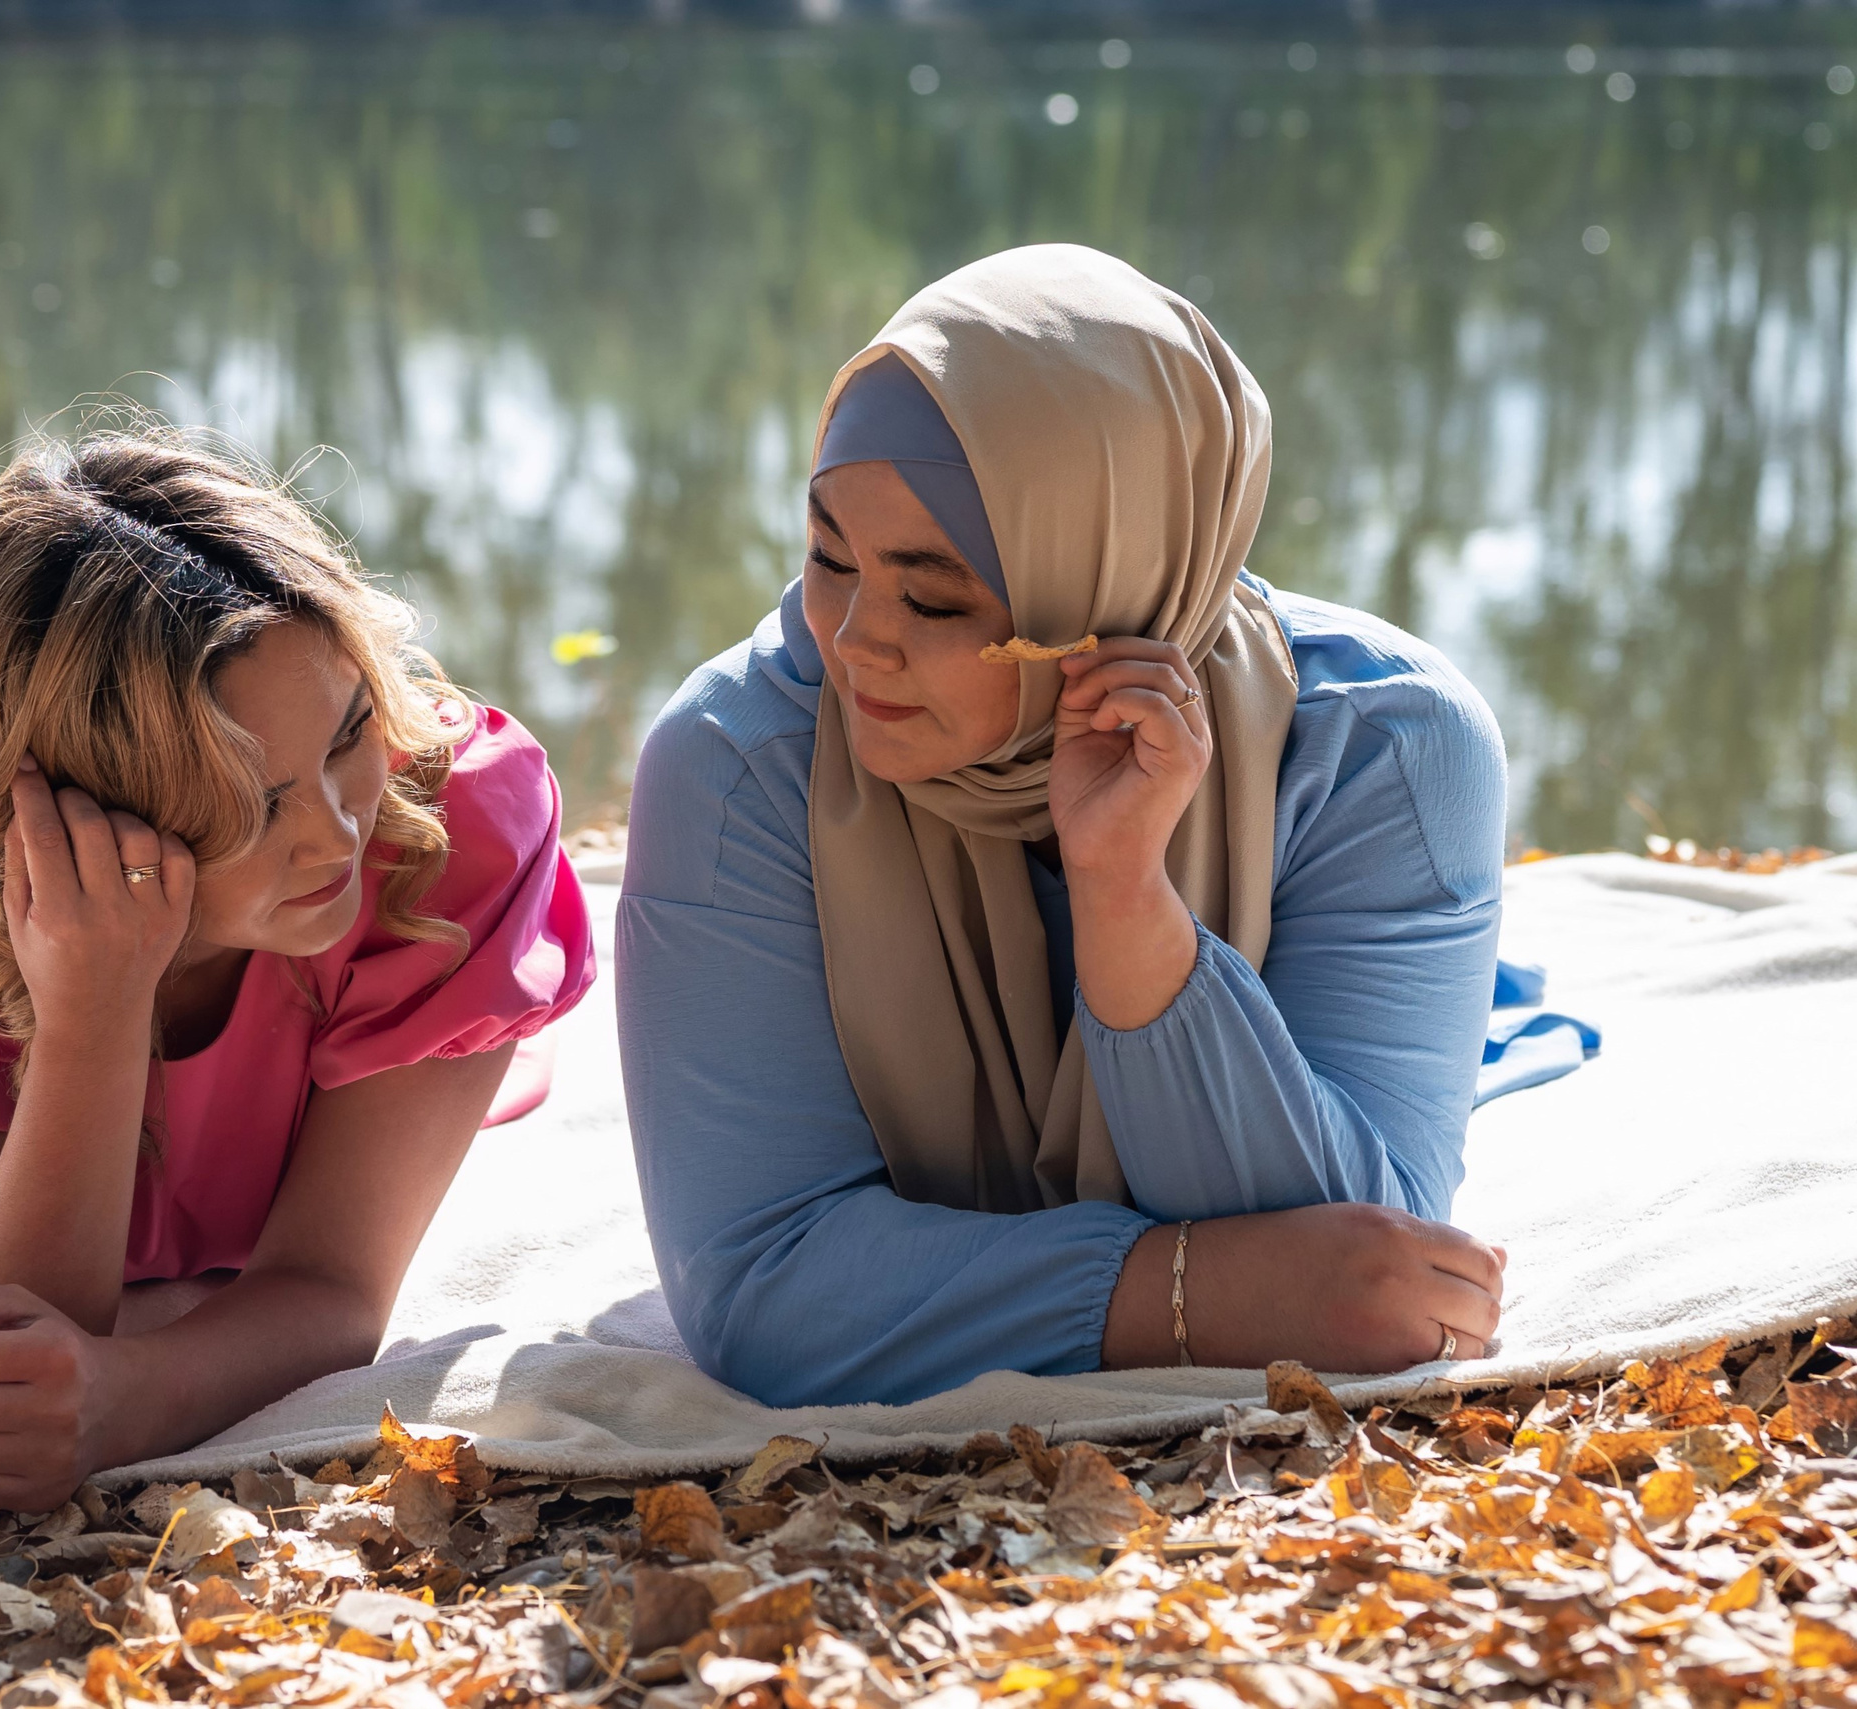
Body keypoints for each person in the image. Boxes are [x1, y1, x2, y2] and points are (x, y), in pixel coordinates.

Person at [618, 244, 1530, 1407]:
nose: (853, 641)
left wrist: (1123, 893)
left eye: (935, 595)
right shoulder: (737, 764)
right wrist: (1197, 1295)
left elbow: (1376, 1257)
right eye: (827, 556)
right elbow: (761, 1284)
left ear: (1105, 580)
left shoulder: (1386, 748)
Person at [0, 425, 593, 1508]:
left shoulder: (441, 835)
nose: (334, 837)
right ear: (67, 813)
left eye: (346, 732)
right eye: (252, 802)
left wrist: (130, 1391)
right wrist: (92, 1008)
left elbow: (329, 1282)